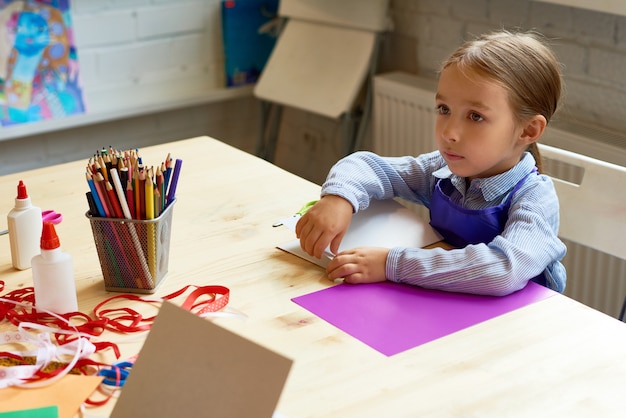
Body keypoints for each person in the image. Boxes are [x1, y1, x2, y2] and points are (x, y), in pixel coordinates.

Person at [295, 30, 567, 296]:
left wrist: (392, 264)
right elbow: (366, 166)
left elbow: (503, 269)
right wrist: (337, 198)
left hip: (516, 325)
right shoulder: (443, 172)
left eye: (475, 116)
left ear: (528, 131)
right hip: (445, 307)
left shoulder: (535, 199)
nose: (449, 132)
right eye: (444, 109)